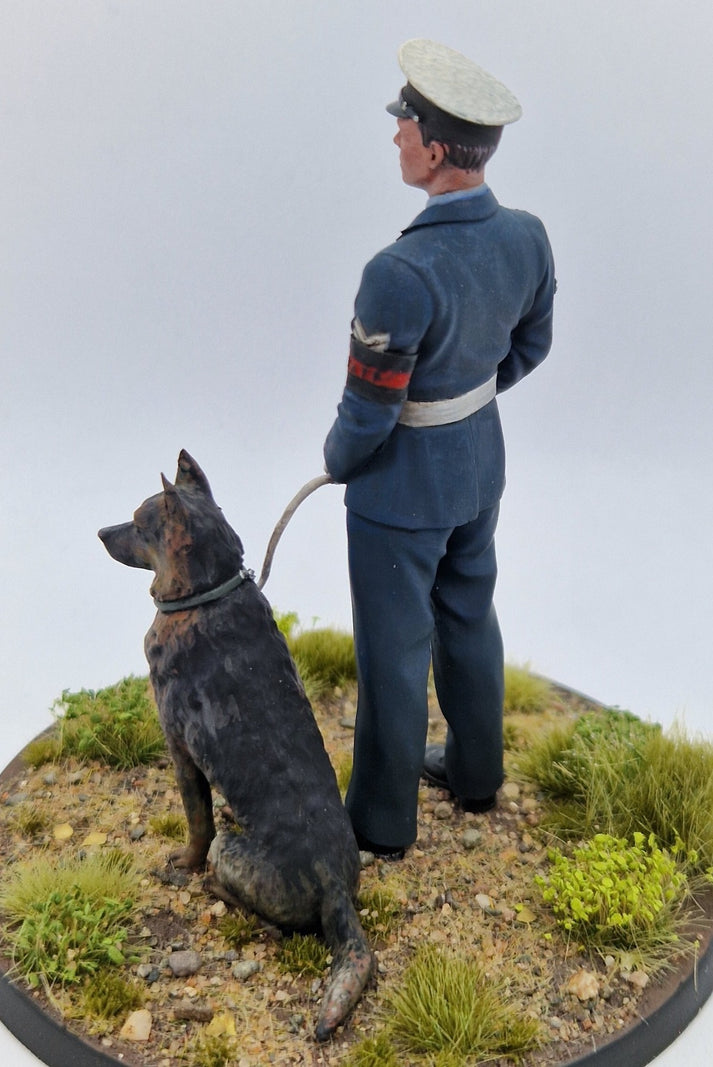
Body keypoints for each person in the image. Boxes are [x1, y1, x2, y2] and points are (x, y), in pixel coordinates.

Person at [323, 39, 555, 859]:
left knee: (392, 654)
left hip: (398, 491)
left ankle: (380, 822)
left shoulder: (399, 271)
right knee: (469, 618)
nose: (395, 133)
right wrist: (463, 405)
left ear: (435, 148)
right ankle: (476, 772)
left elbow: (368, 410)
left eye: (405, 122)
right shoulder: (526, 237)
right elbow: (530, 347)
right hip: (479, 466)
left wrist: (339, 460)